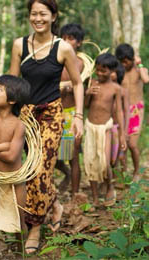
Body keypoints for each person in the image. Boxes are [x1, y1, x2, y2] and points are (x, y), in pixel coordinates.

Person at [9, 0, 84, 254]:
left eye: (43, 13)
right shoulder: (19, 45)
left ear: (53, 16)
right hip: (26, 115)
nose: (37, 18)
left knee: (41, 170)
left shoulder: (63, 48)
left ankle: (35, 228)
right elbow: (12, 83)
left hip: (52, 115)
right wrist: (3, 115)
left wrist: (78, 117)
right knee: (29, 169)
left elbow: (77, 83)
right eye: (33, 13)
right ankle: (54, 204)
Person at [0, 75, 31, 260]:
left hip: (15, 182)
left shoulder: (19, 125)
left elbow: (11, 157)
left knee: (19, 223)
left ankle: (20, 256)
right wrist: (0, 146)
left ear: (11, 100)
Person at [84, 53, 126, 208]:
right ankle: (95, 197)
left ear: (112, 71)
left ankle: (110, 186)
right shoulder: (92, 83)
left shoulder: (116, 89)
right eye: (98, 70)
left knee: (106, 161)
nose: (100, 74)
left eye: (104, 71)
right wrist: (87, 94)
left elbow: (119, 112)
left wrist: (122, 135)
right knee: (91, 161)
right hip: (90, 126)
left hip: (105, 128)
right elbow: (87, 105)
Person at [56, 23, 84, 196]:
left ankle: (75, 196)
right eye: (63, 38)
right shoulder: (55, 61)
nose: (66, 42)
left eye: (71, 39)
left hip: (73, 113)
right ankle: (63, 175)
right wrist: (64, 86)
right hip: (53, 112)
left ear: (79, 43)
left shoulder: (81, 64)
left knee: (73, 156)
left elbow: (82, 87)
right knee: (52, 155)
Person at [115, 44, 149, 182]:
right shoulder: (118, 73)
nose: (124, 64)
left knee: (132, 144)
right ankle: (124, 173)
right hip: (121, 110)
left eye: (127, 61)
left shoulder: (139, 71)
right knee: (122, 144)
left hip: (136, 110)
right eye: (121, 61)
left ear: (132, 59)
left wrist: (139, 64)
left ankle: (136, 171)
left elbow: (146, 79)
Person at [110, 63, 129, 170]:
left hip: (118, 126)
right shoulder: (104, 88)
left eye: (113, 72)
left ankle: (121, 178)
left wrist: (124, 131)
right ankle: (109, 181)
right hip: (107, 125)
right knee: (109, 155)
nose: (110, 74)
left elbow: (126, 111)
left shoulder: (123, 91)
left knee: (119, 154)